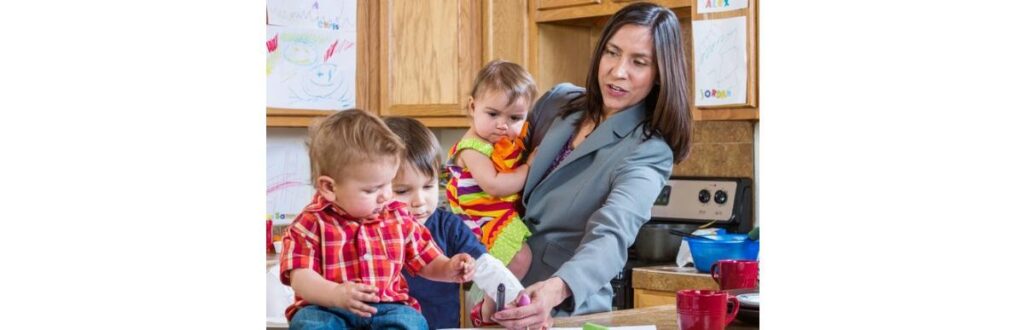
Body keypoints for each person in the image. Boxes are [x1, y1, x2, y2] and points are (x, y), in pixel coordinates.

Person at [491, 3, 694, 329]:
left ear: (659, 76)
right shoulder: (558, 103)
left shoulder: (649, 151)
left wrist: (556, 289)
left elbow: (611, 236)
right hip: (496, 289)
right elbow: (497, 153)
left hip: (562, 308)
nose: (618, 71)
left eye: (638, 62)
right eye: (612, 53)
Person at [279, 109, 476, 330]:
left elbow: (426, 260)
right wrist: (335, 294)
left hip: (388, 308)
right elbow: (300, 277)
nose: (386, 195)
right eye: (373, 189)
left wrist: (448, 268)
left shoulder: (398, 216)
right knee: (310, 323)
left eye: (388, 184)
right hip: (326, 308)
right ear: (329, 187)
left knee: (412, 322)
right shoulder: (309, 224)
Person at [444, 59, 539, 324]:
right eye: (493, 114)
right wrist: (528, 168)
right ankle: (486, 309)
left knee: (520, 259)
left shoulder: (501, 143)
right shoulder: (473, 146)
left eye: (515, 118)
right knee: (520, 258)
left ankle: (492, 308)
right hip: (479, 222)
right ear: (473, 107)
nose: (502, 124)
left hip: (495, 216)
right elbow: (494, 185)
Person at [385, 116, 489, 330]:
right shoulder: (370, 231)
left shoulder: (449, 226)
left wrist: (469, 266)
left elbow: (484, 264)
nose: (419, 201)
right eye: (402, 191)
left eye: (428, 186)